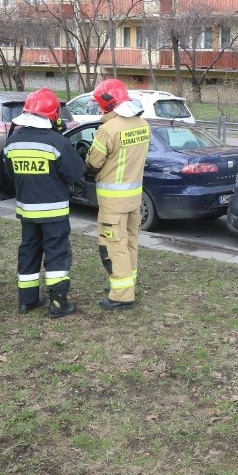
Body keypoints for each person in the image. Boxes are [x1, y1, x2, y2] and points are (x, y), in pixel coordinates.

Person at [0, 87, 84, 319]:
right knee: (57, 254)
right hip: (54, 211)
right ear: (53, 115)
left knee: (29, 251)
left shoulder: (13, 141)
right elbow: (76, 172)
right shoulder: (57, 142)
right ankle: (57, 303)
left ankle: (26, 301)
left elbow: (6, 174)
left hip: (26, 210)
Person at [85, 78, 150, 310]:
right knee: (131, 241)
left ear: (105, 102)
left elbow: (93, 164)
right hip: (135, 198)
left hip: (113, 202)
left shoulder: (107, 130)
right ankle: (127, 282)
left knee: (115, 245)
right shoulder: (142, 124)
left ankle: (122, 295)